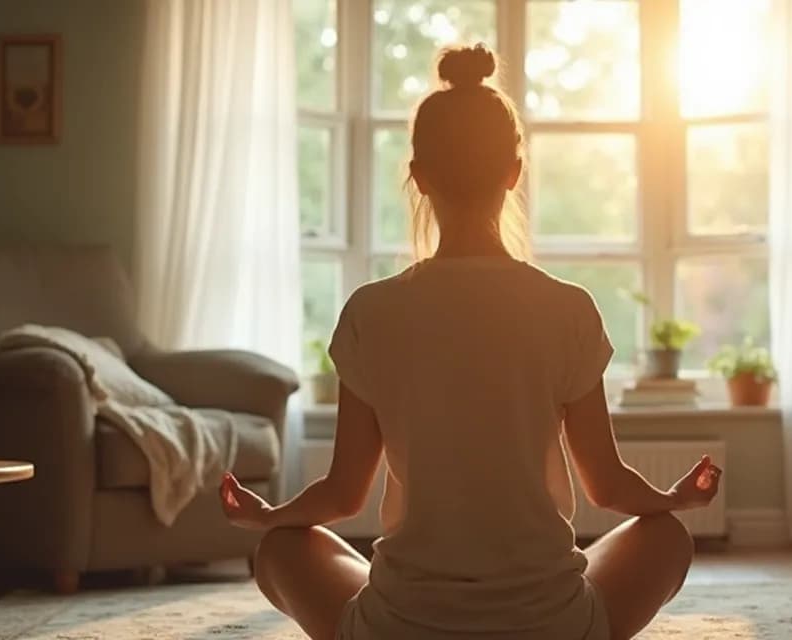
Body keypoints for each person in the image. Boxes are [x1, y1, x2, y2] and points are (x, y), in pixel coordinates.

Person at [219, 43, 723, 640]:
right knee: (666, 536)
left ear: (418, 175)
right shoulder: (568, 308)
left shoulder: (371, 311)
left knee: (280, 550)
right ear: (514, 173)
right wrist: (675, 499)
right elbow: (608, 486)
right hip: (551, 626)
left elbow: (343, 494)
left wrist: (270, 515)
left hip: (400, 627)